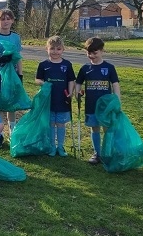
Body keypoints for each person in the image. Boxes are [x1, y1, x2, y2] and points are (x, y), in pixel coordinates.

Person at [75, 37, 121, 165]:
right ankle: (97, 153)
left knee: (107, 129)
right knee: (95, 128)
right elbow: (78, 83)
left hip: (105, 107)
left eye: (94, 53)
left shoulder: (109, 68)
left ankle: (108, 152)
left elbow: (115, 84)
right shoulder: (85, 68)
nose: (91, 56)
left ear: (102, 51)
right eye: (89, 53)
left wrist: (117, 101)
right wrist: (77, 93)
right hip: (91, 105)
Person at [35, 36, 76, 157]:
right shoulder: (43, 65)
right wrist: (44, 83)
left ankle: (61, 146)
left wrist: (70, 93)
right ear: (47, 49)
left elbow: (71, 80)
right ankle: (52, 146)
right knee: (51, 123)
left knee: (61, 124)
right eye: (52, 48)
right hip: (48, 99)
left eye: (58, 49)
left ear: (63, 49)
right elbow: (37, 79)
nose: (55, 52)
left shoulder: (67, 64)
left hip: (62, 98)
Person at [0, 8, 23, 133]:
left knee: (12, 105)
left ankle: (12, 131)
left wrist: (20, 74)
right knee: (0, 104)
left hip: (12, 74)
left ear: (12, 20)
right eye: (2, 19)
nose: (5, 22)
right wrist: (1, 59)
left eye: (8, 19)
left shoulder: (16, 37)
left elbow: (18, 57)